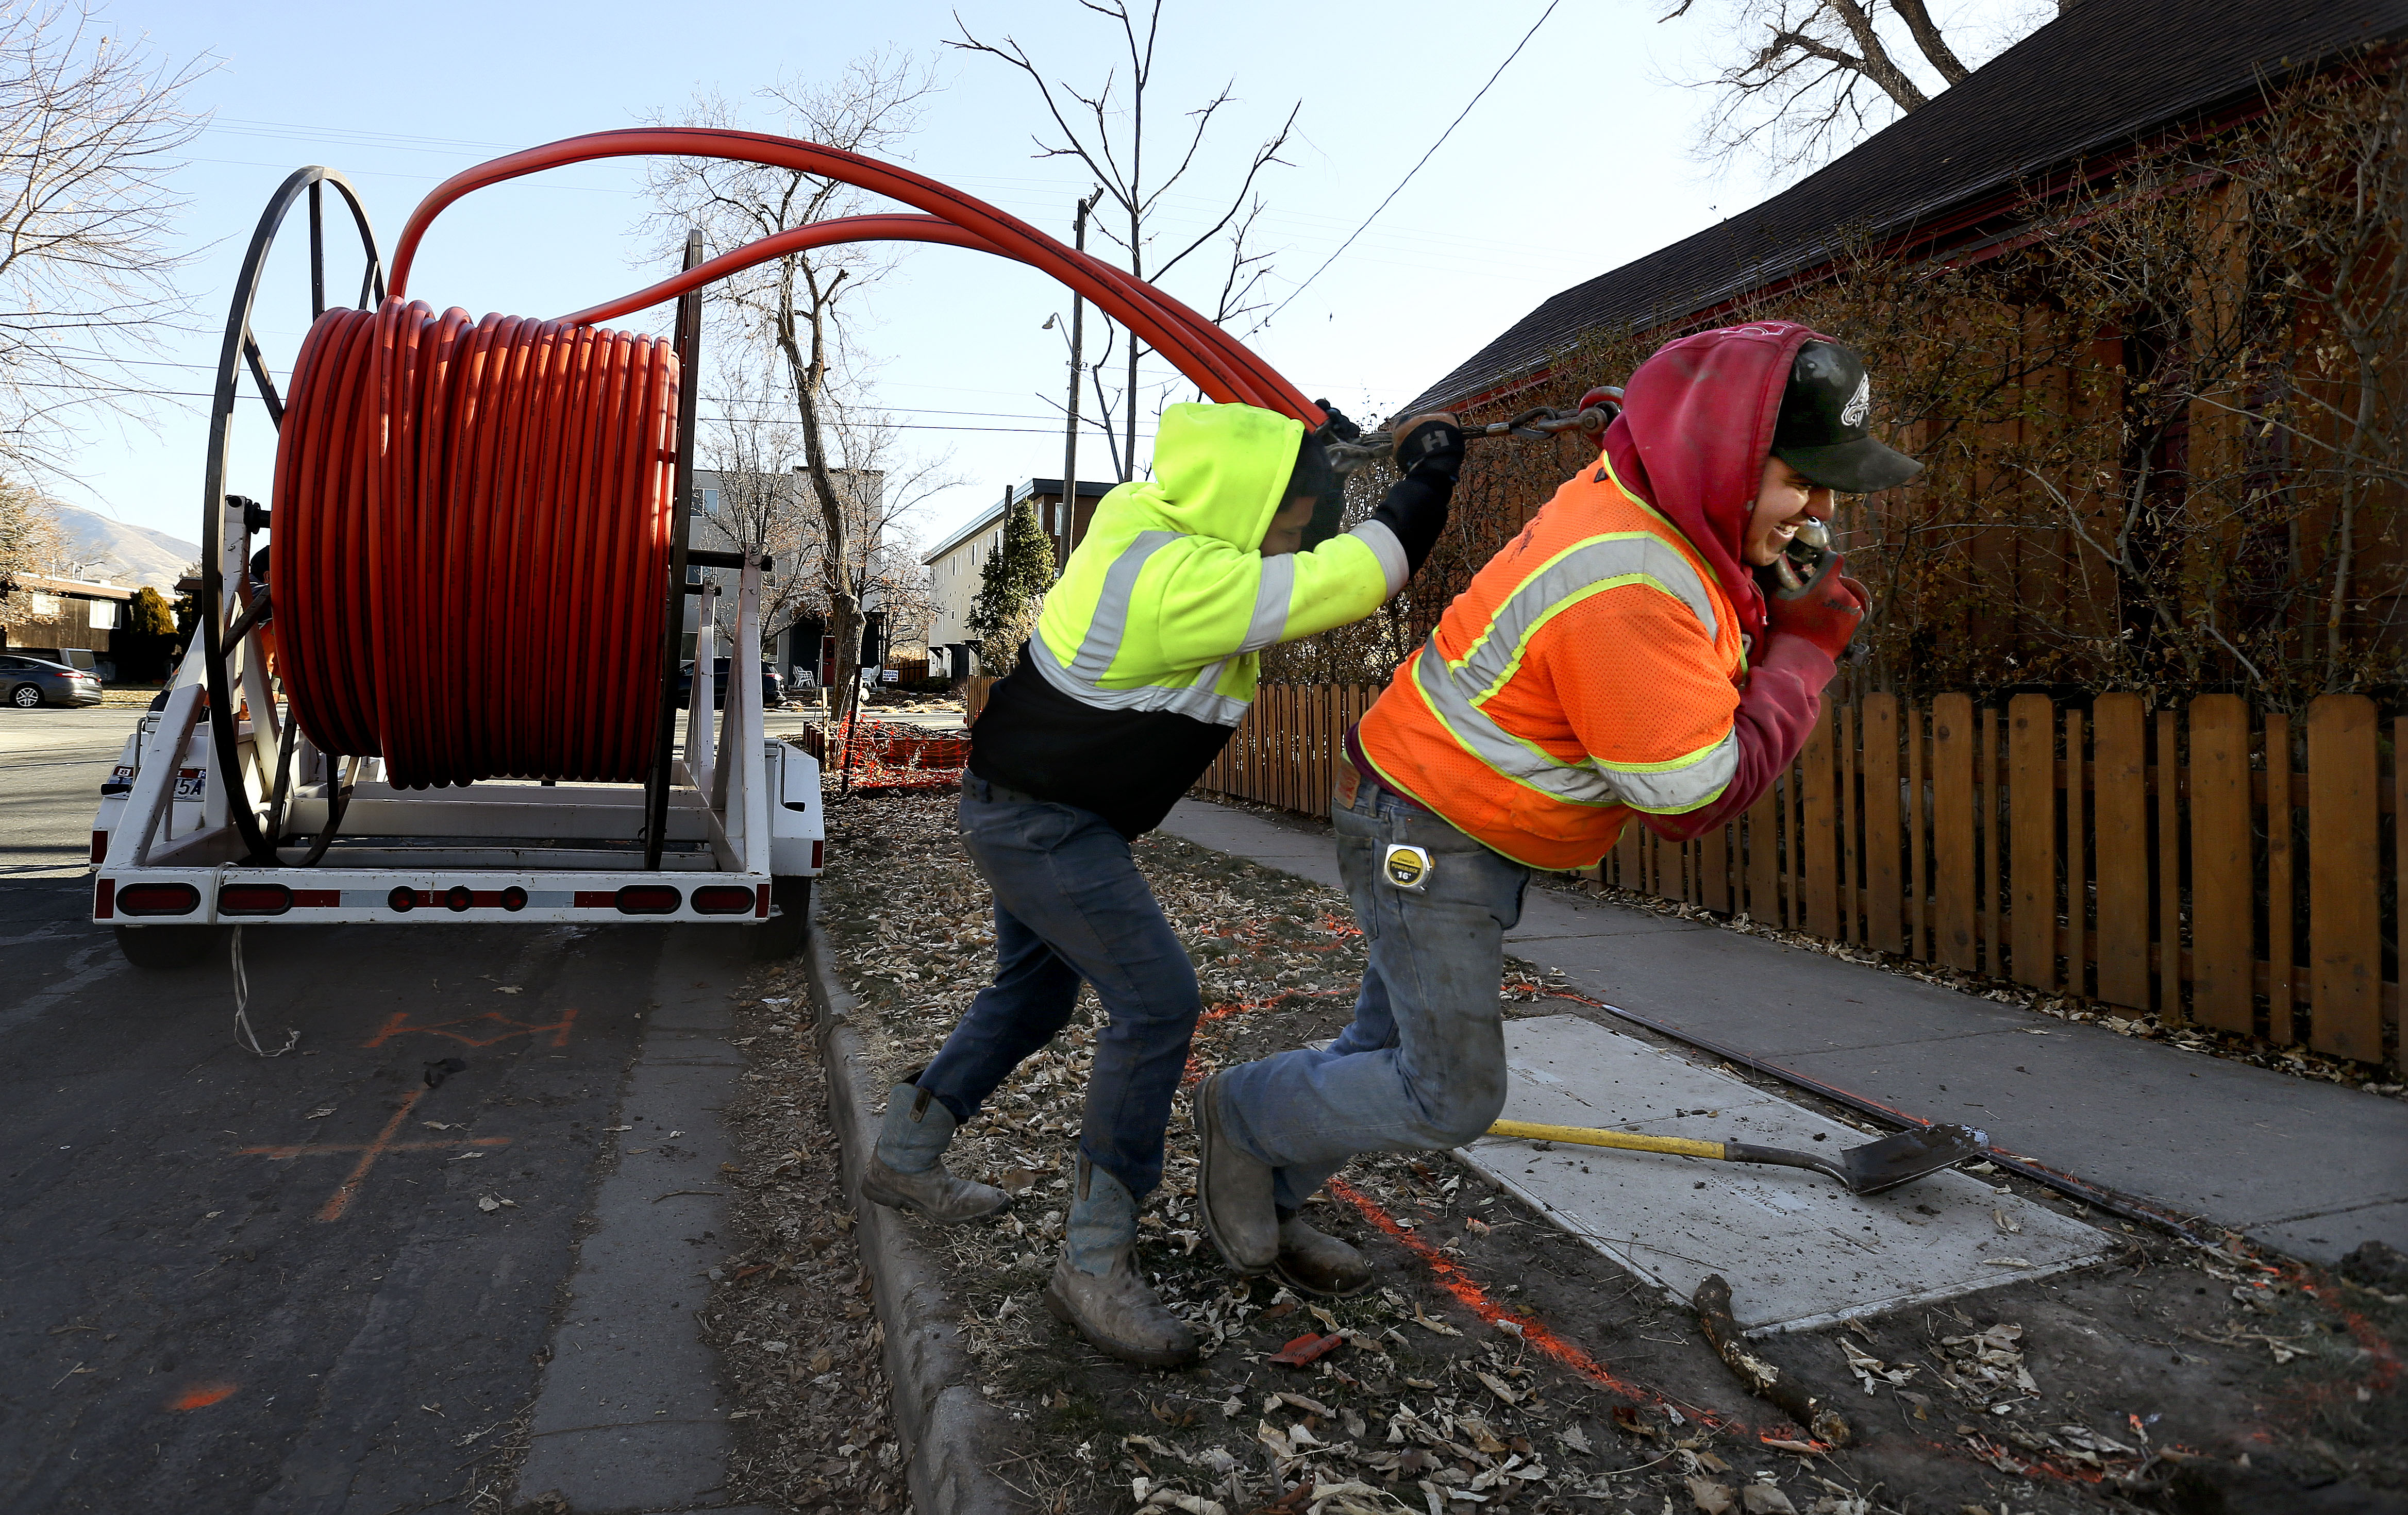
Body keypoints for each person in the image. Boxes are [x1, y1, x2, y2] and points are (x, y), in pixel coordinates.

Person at [1193, 323, 1922, 1296]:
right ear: (1729, 461)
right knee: (1448, 1092)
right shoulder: (1632, 584)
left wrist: (1768, 565)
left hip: (1455, 814)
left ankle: (1271, 1200)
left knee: (1384, 1053)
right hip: (1430, 829)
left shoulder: (1659, 488)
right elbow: (1692, 793)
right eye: (1805, 482)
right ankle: (1240, 1118)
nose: (1824, 512)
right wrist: (1804, 653)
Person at [861, 399, 1466, 1367]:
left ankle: (902, 1157)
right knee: (1157, 1002)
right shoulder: (1182, 582)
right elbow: (1358, 578)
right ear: (1246, 509)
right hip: (1044, 821)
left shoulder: (1147, 517)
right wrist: (1429, 472)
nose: (1302, 543)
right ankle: (1092, 1263)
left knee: (1034, 994)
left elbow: (1285, 516)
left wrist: (1311, 457)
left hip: (1031, 801)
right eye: (1295, 521)